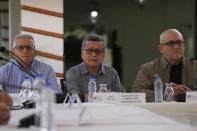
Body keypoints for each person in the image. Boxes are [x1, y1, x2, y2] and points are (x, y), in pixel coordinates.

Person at [133, 29, 197, 102]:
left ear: (184, 46)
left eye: (179, 42)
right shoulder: (148, 68)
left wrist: (191, 95)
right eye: (171, 43)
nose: (176, 47)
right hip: (159, 112)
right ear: (161, 48)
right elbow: (137, 92)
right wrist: (165, 95)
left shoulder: (195, 67)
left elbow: (192, 95)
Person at [66, 34, 124, 101]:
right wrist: (103, 97)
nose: (93, 54)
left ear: (103, 56)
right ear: (82, 54)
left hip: (107, 110)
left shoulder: (111, 72)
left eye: (98, 51)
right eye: (89, 50)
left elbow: (120, 96)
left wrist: (115, 95)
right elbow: (74, 98)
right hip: (83, 110)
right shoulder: (73, 73)